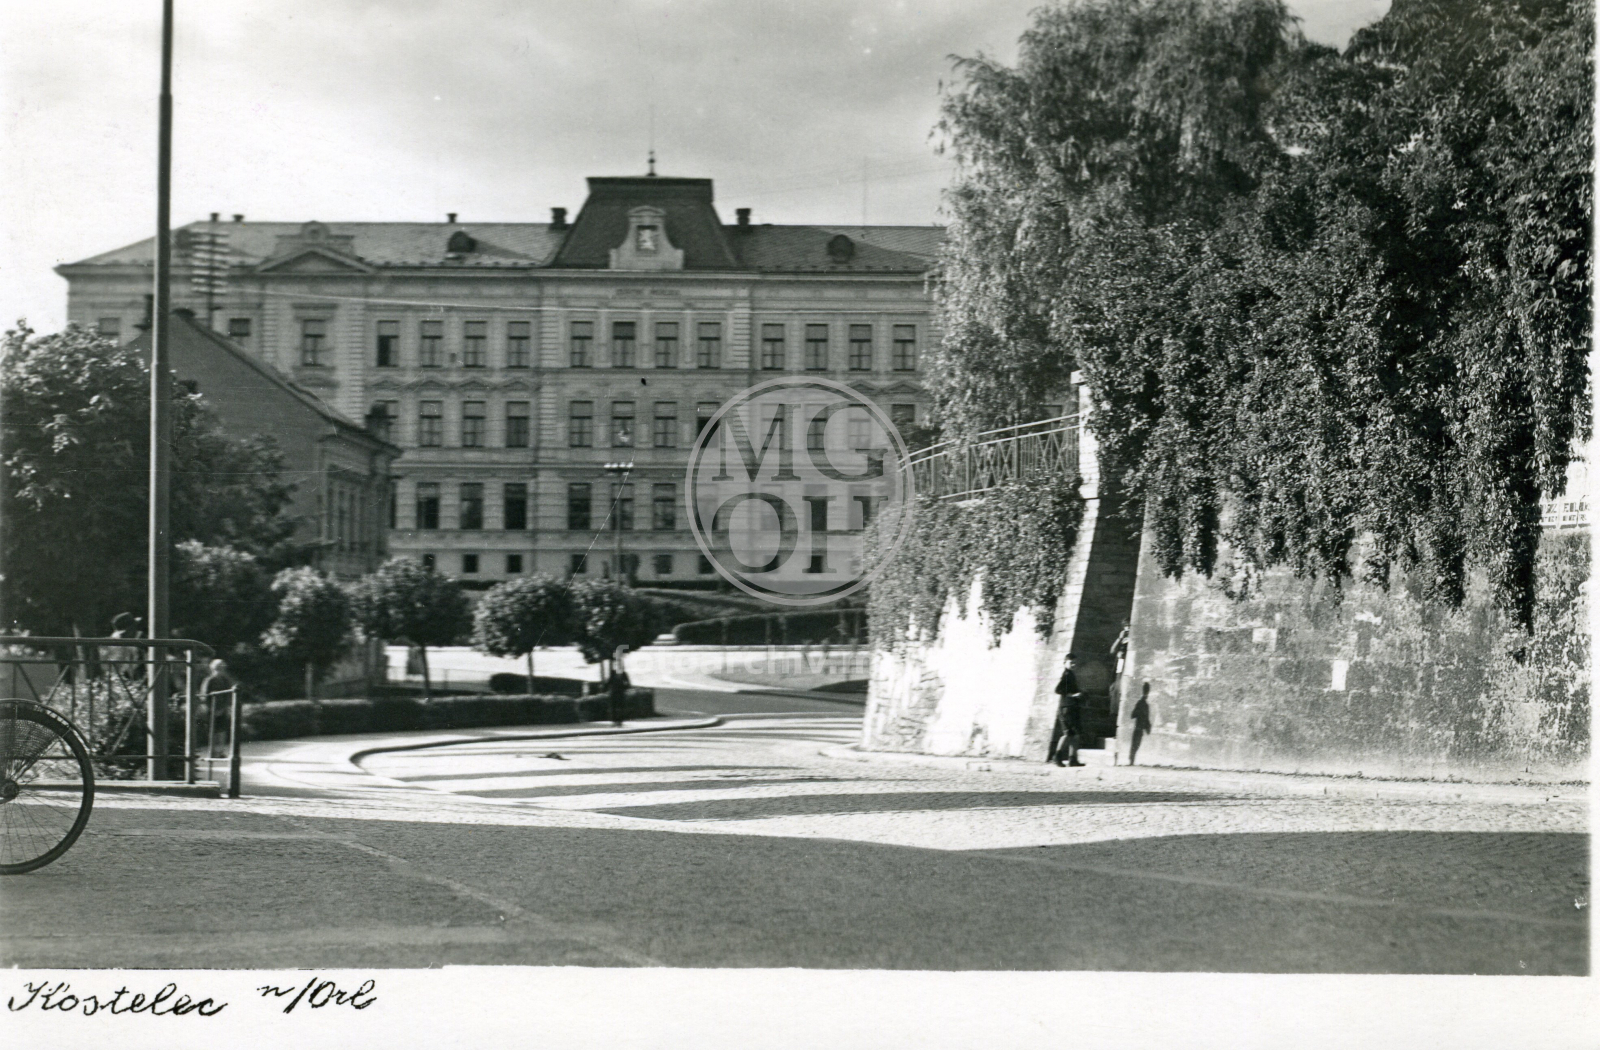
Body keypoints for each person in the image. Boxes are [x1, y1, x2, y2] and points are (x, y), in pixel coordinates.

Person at [1048, 654, 1085, 767]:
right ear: (1065, 663)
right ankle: (1056, 757)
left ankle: (1072, 759)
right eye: (1071, 663)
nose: (1073, 665)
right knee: (1068, 733)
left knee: (1075, 734)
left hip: (1071, 707)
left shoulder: (1071, 674)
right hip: (1066, 708)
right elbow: (1058, 690)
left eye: (1075, 663)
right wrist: (1073, 695)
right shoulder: (1066, 674)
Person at [606, 645, 631, 727]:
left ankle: (619, 721)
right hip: (613, 692)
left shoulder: (623, 674)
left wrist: (625, 687)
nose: (618, 666)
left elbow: (628, 683)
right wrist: (605, 687)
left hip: (620, 692)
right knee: (613, 707)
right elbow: (609, 682)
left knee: (620, 707)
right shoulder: (613, 673)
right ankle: (614, 721)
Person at [1129, 682, 1153, 766]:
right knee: (1136, 745)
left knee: (1135, 745)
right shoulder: (1144, 704)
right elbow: (1135, 715)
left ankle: (1131, 761)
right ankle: (1131, 761)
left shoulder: (1141, 703)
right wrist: (1147, 727)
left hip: (1138, 727)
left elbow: (1133, 715)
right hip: (1139, 728)